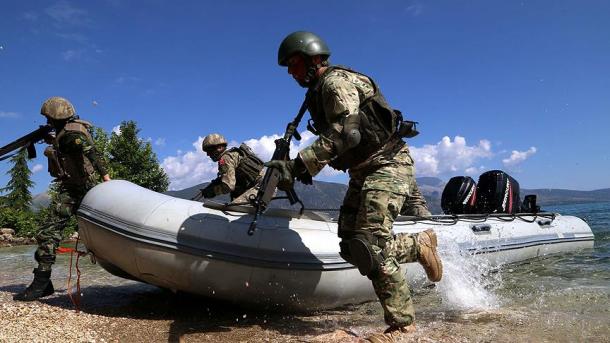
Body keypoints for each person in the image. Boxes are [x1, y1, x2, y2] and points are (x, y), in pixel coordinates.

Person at [266, 31, 443, 342]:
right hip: (362, 172)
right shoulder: (317, 92)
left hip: (388, 164)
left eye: (294, 64)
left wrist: (299, 166)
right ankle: (419, 246)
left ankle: (402, 327)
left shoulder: (336, 83)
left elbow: (347, 133)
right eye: (288, 68)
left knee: (371, 245)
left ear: (313, 58)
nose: (291, 72)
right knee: (351, 245)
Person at [14, 96, 111, 301]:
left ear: (55, 118)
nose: (48, 122)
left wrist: (107, 179)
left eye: (49, 118)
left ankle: (41, 283)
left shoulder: (71, 136)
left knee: (47, 232)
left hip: (78, 190)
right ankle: (43, 282)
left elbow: (91, 152)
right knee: (52, 232)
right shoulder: (67, 132)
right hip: (80, 188)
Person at [198, 133, 265, 205]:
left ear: (219, 148)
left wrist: (212, 191)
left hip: (259, 188)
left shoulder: (225, 159)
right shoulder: (233, 154)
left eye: (209, 150)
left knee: (234, 208)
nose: (208, 154)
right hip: (263, 187)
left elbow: (228, 186)